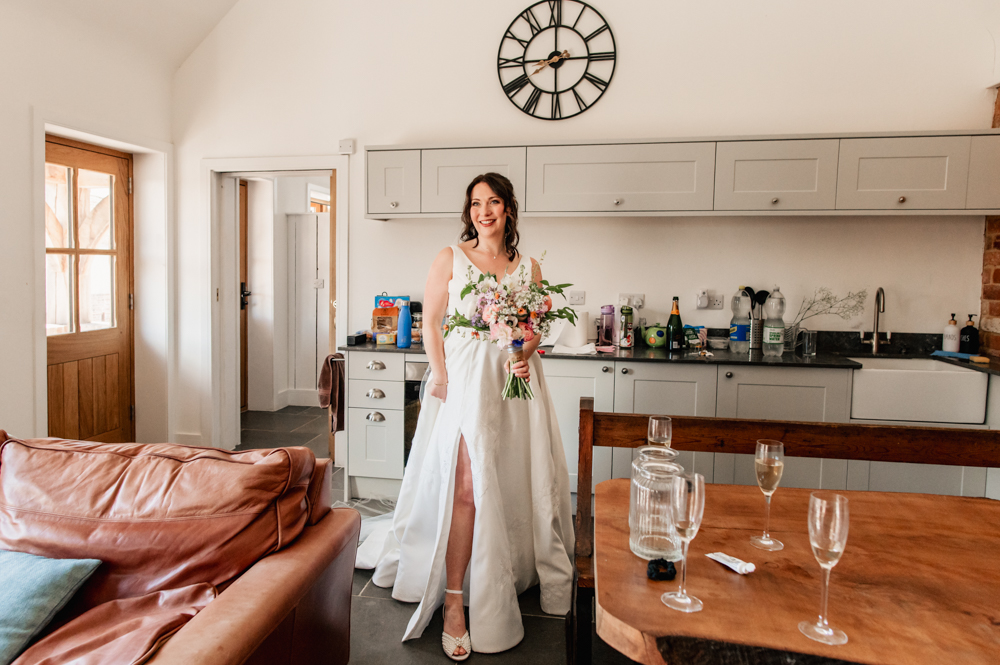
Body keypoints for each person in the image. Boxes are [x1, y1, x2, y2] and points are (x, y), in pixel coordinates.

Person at [366, 172, 575, 660]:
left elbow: (533, 330)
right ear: (470, 212)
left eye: (494, 202)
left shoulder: (529, 267)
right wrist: (438, 375)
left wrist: (525, 351)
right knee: (466, 486)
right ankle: (456, 599)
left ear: (508, 210)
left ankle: (505, 566)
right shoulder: (451, 258)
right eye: (477, 203)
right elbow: (434, 324)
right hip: (464, 383)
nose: (485, 211)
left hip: (515, 385)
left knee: (508, 477)